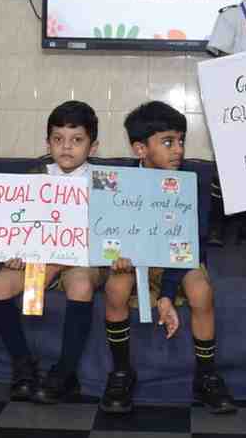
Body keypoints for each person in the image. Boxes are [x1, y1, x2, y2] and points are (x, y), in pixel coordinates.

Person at [100, 101, 236, 414]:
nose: (178, 150)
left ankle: (206, 376)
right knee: (116, 288)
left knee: (201, 290)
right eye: (167, 142)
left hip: (180, 257)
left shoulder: (192, 182)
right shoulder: (116, 182)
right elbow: (106, 231)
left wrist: (167, 294)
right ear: (140, 149)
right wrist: (115, 256)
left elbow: (192, 243)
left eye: (181, 141)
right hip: (135, 260)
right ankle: (121, 372)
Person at [0, 100, 103, 404]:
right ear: (48, 142)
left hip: (80, 261)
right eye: (58, 139)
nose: (66, 147)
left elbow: (104, 236)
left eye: (77, 140)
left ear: (92, 147)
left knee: (81, 286)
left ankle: (65, 372)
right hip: (35, 258)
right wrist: (13, 251)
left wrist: (55, 266)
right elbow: (14, 222)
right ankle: (23, 364)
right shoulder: (35, 176)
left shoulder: (102, 182)